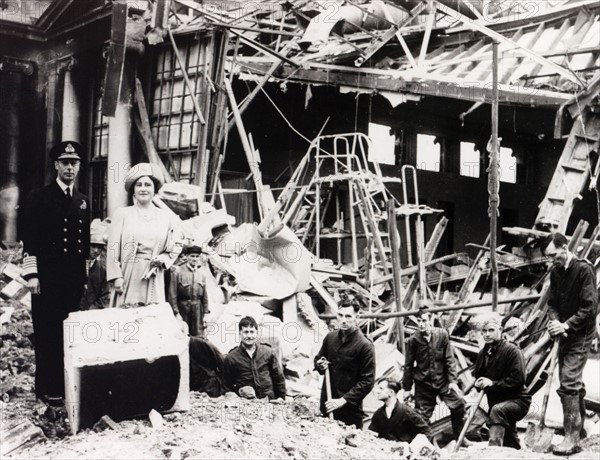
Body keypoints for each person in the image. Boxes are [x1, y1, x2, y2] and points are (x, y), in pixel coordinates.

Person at [21, 141, 90, 404]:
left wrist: (83, 279)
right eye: (65, 162)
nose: (70, 167)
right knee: (47, 333)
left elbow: (83, 246)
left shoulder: (82, 201)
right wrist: (32, 275)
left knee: (67, 334)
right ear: (56, 166)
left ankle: (65, 387)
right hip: (46, 279)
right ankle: (46, 389)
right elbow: (29, 238)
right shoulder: (39, 197)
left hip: (71, 281)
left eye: (74, 163)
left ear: (79, 166)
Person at [542, 232, 598, 455]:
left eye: (554, 255)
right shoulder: (556, 271)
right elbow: (552, 303)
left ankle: (571, 438)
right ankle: (580, 429)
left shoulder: (584, 269)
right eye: (548, 257)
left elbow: (589, 309)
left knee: (568, 381)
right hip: (563, 332)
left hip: (581, 333)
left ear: (565, 248)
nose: (551, 260)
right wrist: (555, 322)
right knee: (572, 381)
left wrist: (566, 325)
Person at [107, 163, 182, 307]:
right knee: (127, 316)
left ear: (154, 191)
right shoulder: (122, 214)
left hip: (153, 274)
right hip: (129, 273)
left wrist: (164, 259)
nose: (143, 189)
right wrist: (116, 276)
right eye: (139, 185)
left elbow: (177, 244)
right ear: (133, 191)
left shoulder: (166, 217)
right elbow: (112, 248)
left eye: (147, 185)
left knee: (151, 319)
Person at [403, 308, 468, 444]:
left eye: (424, 321)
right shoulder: (413, 341)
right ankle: (425, 443)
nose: (422, 324)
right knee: (421, 417)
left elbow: (449, 360)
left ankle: (460, 438)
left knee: (459, 405)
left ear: (431, 320)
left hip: (443, 382)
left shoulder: (442, 335)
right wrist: (407, 388)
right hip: (423, 384)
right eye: (419, 321)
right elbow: (408, 365)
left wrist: (453, 382)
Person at [314, 300, 375, 428]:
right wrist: (320, 365)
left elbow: (367, 381)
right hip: (327, 404)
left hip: (350, 411)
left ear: (357, 317)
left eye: (348, 316)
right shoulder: (330, 338)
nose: (343, 320)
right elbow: (319, 360)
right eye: (340, 315)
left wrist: (343, 400)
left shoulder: (365, 346)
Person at [473, 315, 531, 449]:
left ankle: (493, 454)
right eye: (484, 331)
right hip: (496, 402)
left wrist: (492, 384)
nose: (487, 334)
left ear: (500, 329)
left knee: (497, 411)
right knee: (510, 442)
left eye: (491, 330)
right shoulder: (483, 353)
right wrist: (478, 382)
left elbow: (519, 379)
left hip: (518, 401)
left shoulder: (512, 351)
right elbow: (479, 376)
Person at [223, 316, 286, 400]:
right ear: (239, 333)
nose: (249, 336)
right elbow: (226, 385)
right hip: (246, 405)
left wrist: (281, 398)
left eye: (252, 332)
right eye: (245, 332)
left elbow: (278, 378)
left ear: (257, 333)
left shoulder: (268, 352)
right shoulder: (231, 358)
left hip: (269, 401)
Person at [369, 378, 431, 442]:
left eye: (381, 388)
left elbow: (426, 431)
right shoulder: (378, 414)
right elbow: (371, 433)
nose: (377, 391)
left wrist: (416, 448)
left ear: (391, 393)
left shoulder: (407, 412)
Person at [168, 244, 209, 337]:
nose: (195, 259)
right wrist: (176, 313)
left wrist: (206, 313)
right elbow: (172, 295)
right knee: (183, 336)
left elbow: (205, 297)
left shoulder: (201, 274)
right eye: (192, 256)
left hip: (198, 311)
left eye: (197, 256)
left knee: (198, 338)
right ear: (187, 256)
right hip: (183, 310)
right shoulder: (177, 272)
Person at [80, 218, 110, 310]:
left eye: (99, 247)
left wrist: (92, 309)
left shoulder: (101, 270)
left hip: (91, 313)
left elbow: (104, 295)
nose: (96, 251)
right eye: (93, 246)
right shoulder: (75, 265)